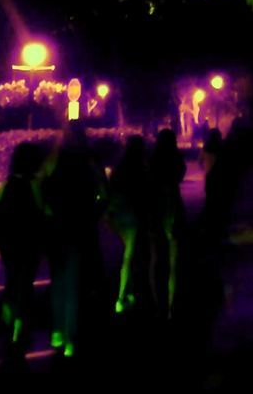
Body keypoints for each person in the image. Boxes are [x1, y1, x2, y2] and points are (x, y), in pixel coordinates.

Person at [41, 121, 107, 357]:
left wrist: (49, 212)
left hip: (57, 227)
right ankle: (71, 337)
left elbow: (41, 190)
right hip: (81, 226)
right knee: (75, 283)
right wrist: (94, 213)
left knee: (58, 281)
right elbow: (104, 192)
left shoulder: (54, 159)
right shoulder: (89, 160)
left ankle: (57, 331)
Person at [0, 141, 46, 346]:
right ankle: (19, 325)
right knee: (26, 282)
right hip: (29, 241)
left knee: (12, 277)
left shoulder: (6, 184)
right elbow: (41, 212)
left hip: (8, 241)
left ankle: (8, 312)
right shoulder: (35, 185)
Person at [106, 135, 150, 314]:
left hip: (116, 215)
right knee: (129, 258)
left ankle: (127, 292)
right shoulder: (140, 168)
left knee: (125, 255)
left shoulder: (120, 167)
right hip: (130, 216)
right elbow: (142, 194)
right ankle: (121, 297)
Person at [148, 128, 186, 321]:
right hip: (174, 211)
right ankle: (173, 305)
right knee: (174, 263)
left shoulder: (153, 163)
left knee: (158, 263)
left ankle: (159, 306)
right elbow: (180, 174)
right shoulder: (176, 162)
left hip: (156, 213)